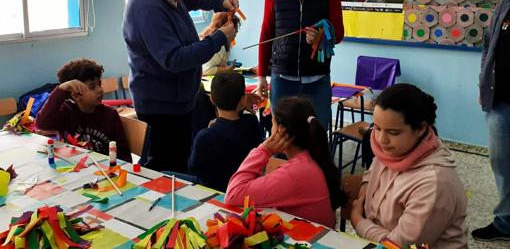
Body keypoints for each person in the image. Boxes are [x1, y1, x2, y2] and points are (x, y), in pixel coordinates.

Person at [122, 0, 239, 173]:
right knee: (168, 169)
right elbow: (174, 59)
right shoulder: (148, 9)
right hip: (161, 107)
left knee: (180, 161)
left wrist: (221, 1)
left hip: (179, 100)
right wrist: (218, 39)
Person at [350, 83, 467, 248]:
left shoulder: (434, 183)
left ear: (420, 128)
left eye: (393, 132)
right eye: (377, 128)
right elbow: (372, 174)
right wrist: (363, 193)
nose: (381, 140)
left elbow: (400, 245)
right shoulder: (393, 151)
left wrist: (358, 221)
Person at [256, 0, 344, 129]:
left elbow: (339, 33)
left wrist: (322, 36)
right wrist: (262, 76)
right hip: (282, 79)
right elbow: (265, 36)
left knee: (317, 135)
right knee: (281, 136)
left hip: (318, 80)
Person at [225, 96, 345, 228]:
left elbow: (233, 194)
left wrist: (264, 150)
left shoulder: (295, 173)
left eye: (272, 123)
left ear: (280, 131)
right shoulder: (312, 158)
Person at [36, 58, 131, 162]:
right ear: (76, 96)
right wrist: (61, 90)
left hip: (104, 170)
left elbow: (122, 153)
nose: (99, 90)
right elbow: (42, 124)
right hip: (73, 167)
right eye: (92, 87)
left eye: (99, 84)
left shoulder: (110, 114)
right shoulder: (66, 111)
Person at [473, 0, 510, 242]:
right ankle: (505, 223)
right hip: (500, 100)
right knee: (501, 163)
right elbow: (489, 43)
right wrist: (484, 82)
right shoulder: (507, 1)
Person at [188, 72, 261, 191]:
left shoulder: (205, 136)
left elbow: (193, 168)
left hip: (208, 189)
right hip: (241, 188)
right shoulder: (252, 123)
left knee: (165, 173)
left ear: (211, 99)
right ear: (243, 100)